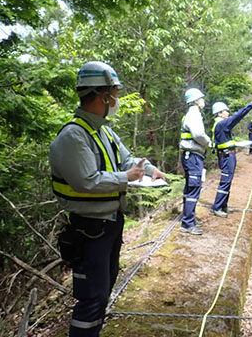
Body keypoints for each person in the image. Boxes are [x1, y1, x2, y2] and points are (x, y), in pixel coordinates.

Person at [49, 61, 168, 337]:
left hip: (110, 224)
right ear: (101, 95)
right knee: (91, 297)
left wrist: (150, 170)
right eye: (114, 93)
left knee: (102, 293)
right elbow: (87, 181)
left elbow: (127, 159)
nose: (115, 99)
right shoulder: (73, 136)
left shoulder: (103, 130)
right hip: (89, 228)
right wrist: (127, 177)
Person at [209, 97, 252, 218]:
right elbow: (238, 116)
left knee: (227, 180)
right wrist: (251, 104)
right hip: (226, 156)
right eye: (226, 111)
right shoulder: (222, 123)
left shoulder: (219, 124)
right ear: (220, 112)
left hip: (227, 154)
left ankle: (223, 205)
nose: (228, 113)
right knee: (225, 181)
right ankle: (217, 207)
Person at [179, 87, 212, 235]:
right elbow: (198, 134)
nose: (203, 101)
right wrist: (208, 142)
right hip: (193, 156)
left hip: (189, 156)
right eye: (202, 98)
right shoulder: (194, 114)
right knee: (194, 188)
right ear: (196, 101)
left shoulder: (191, 114)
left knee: (189, 188)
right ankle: (187, 224)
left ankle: (188, 218)